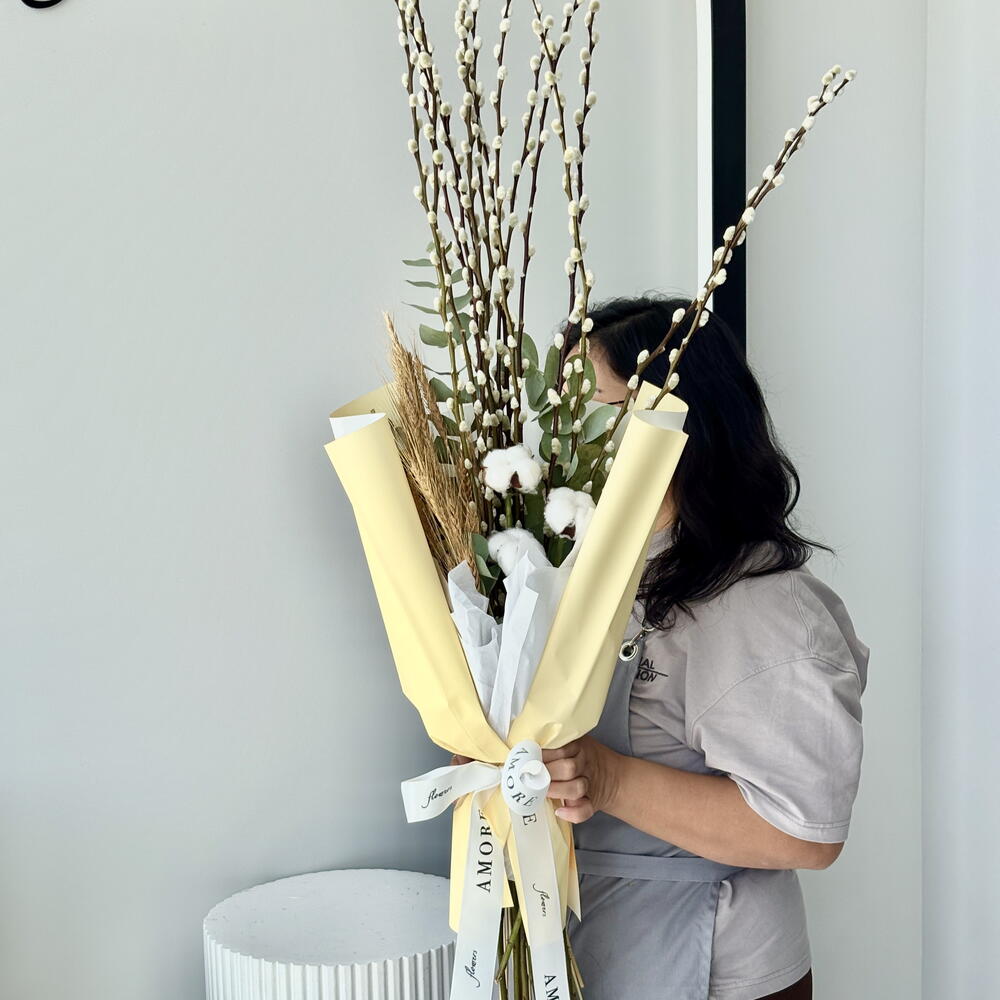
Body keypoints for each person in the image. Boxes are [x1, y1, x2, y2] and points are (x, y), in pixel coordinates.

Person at [546, 293, 870, 1000]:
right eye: (557, 414)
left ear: (679, 422)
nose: (565, 439)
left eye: (591, 413)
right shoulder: (595, 564)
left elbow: (807, 833)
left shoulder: (760, 605)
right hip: (592, 938)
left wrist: (606, 778)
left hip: (712, 964)